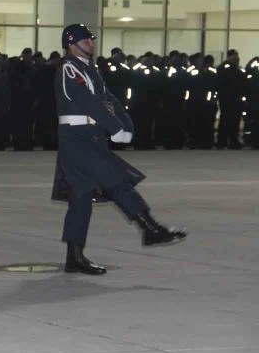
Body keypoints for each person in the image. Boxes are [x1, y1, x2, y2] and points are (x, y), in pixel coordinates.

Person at [52, 24, 187, 276]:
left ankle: (74, 257)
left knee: (81, 199)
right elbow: (88, 101)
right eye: (86, 40)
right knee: (116, 180)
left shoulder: (89, 68)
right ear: (72, 44)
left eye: (91, 39)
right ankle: (150, 228)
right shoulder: (69, 68)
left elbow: (108, 99)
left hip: (90, 136)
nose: (91, 43)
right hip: (77, 138)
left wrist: (126, 125)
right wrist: (113, 126)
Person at [216, 49, 246, 149]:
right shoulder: (224, 68)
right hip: (227, 98)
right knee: (226, 120)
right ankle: (222, 142)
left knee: (235, 120)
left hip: (236, 98)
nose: (237, 59)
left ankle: (233, 141)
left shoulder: (237, 69)